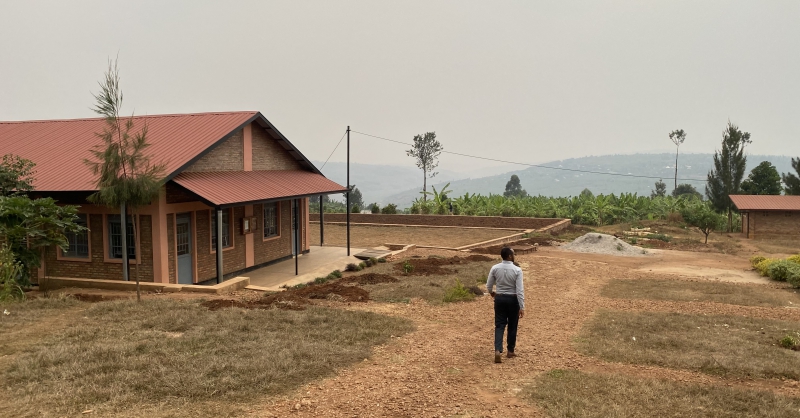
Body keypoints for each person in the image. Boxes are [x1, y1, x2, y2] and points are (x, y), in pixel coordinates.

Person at [486, 247, 525, 363]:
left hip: (499, 299)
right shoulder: (517, 270)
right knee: (512, 325)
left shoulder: (494, 268)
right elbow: (520, 290)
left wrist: (492, 293)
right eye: (513, 254)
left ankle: (497, 350)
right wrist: (522, 306)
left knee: (499, 324)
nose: (514, 255)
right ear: (509, 256)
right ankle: (510, 350)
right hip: (513, 300)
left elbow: (489, 285)